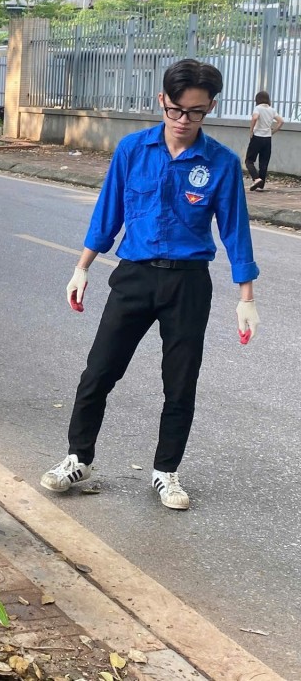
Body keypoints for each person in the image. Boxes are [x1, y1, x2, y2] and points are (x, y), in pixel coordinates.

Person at [42, 59, 260, 511]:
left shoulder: (219, 163)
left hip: (188, 284)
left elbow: (235, 231)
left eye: (196, 112)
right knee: (99, 371)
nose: (184, 121)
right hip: (134, 277)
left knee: (180, 384)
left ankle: (166, 472)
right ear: (162, 101)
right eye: (176, 110)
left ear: (210, 108)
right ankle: (78, 459)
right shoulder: (132, 150)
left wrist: (246, 296)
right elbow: (109, 212)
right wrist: (82, 267)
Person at [244, 90, 283, 192]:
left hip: (257, 137)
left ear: (258, 99)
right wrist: (273, 131)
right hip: (267, 139)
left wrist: (251, 131)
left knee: (249, 160)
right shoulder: (272, 110)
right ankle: (261, 186)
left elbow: (255, 118)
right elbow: (281, 121)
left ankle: (256, 179)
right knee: (264, 162)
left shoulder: (258, 108)